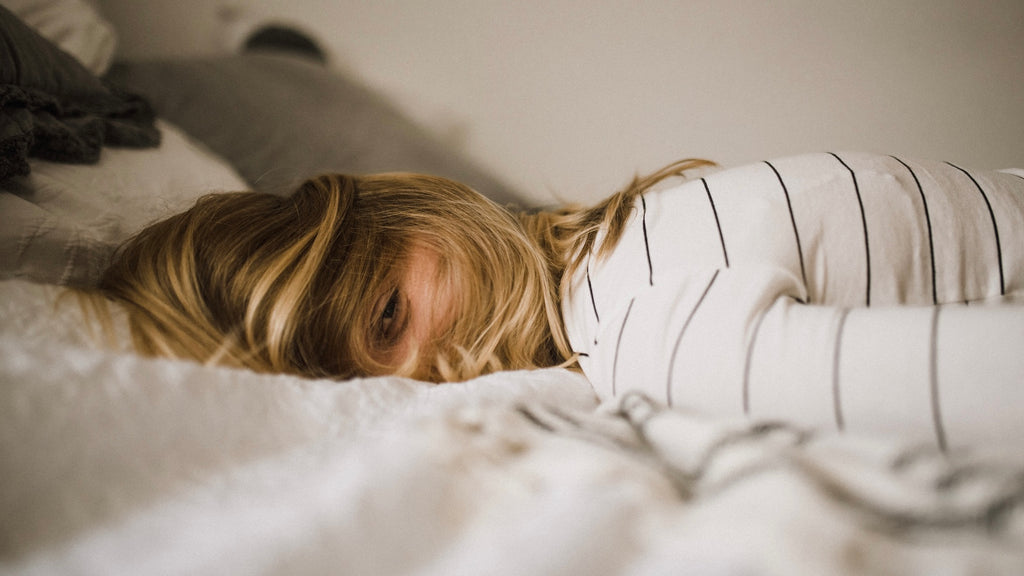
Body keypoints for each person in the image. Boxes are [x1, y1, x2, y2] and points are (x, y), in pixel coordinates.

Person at [86, 153, 1024, 445]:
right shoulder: (628, 237)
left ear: (423, 209)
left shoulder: (649, 329)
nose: (422, 379)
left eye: (386, 318)